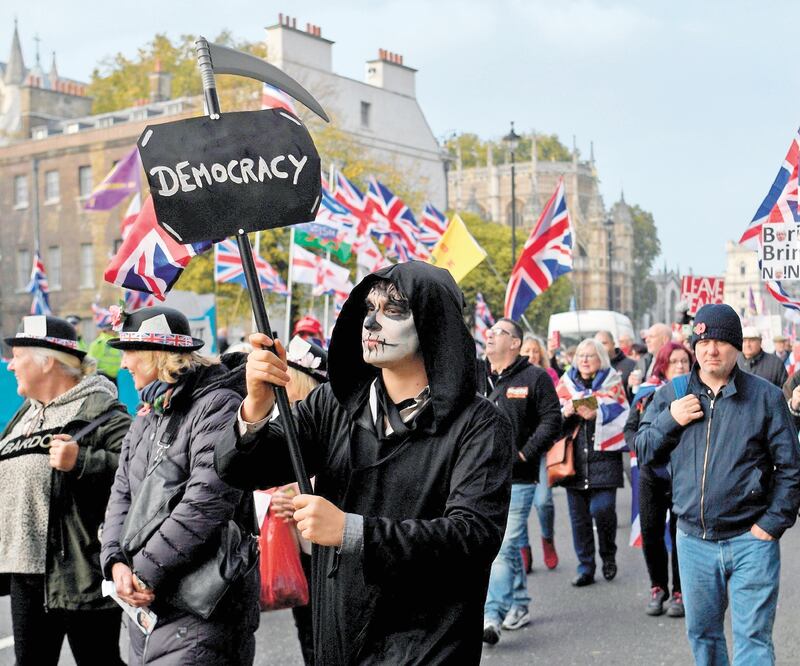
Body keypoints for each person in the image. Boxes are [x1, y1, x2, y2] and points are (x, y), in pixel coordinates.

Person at [214, 261, 511, 665]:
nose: (371, 323)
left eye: (393, 309)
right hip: (341, 635)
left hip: (429, 643)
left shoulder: (480, 424)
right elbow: (242, 468)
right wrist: (254, 408)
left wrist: (352, 531)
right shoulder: (333, 404)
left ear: (431, 320)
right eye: (369, 307)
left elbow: (472, 536)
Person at [636, 304, 800, 665]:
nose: (711, 349)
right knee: (704, 637)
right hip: (693, 541)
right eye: (704, 340)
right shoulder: (672, 394)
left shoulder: (766, 397)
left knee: (753, 640)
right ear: (694, 344)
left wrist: (770, 525)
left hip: (751, 541)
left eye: (722, 342)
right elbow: (644, 450)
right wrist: (670, 420)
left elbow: (791, 469)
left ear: (737, 347)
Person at [100, 306, 260, 665]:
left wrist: (142, 572)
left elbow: (206, 502)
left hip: (203, 610)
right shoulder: (149, 413)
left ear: (157, 355)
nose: (124, 363)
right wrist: (115, 562)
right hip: (150, 609)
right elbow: (121, 495)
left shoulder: (218, 405)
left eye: (130, 352)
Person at [0, 315, 131, 666]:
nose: (10, 364)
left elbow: (140, 472)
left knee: (98, 660)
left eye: (18, 355)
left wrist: (83, 460)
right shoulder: (23, 417)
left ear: (47, 361)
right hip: (25, 572)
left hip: (78, 570)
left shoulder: (101, 409)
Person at [480, 320, 561, 644]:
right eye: (489, 332)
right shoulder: (476, 374)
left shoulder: (535, 377)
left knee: (503, 547)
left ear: (515, 343)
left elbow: (552, 419)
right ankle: (521, 603)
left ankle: (491, 615)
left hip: (519, 479)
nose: (489, 334)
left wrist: (526, 454)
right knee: (505, 547)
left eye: (497, 332)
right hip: (480, 479)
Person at [267, 335, 328, 666]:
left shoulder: (328, 424)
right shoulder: (282, 424)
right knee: (306, 628)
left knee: (328, 631)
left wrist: (307, 498)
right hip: (299, 547)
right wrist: (277, 500)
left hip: (331, 545)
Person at [623, 342, 692, 618]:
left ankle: (680, 590)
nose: (680, 366)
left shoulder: (695, 392)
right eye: (674, 361)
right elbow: (631, 429)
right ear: (663, 364)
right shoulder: (647, 393)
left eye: (685, 362)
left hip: (684, 474)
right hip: (652, 472)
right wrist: (641, 447)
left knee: (680, 535)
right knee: (651, 533)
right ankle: (657, 587)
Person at [556, 338, 629, 587]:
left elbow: (623, 413)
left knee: (603, 509)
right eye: (581, 355)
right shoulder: (565, 385)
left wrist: (599, 413)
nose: (585, 360)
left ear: (601, 359)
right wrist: (566, 412)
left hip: (604, 461)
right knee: (579, 519)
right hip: (574, 462)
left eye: (591, 355)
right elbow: (552, 420)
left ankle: (608, 555)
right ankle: (585, 566)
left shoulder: (613, 382)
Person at [518, 334, 560, 575]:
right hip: (515, 453)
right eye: (527, 350)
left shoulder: (548, 376)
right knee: (516, 508)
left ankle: (547, 537)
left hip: (541, 450)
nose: (531, 355)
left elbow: (553, 415)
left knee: (543, 501)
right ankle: (523, 549)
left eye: (535, 351)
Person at [629, 323, 671, 394]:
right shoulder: (643, 361)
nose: (646, 340)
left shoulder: (674, 362)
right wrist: (630, 384)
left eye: (651, 337)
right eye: (646, 337)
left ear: (665, 340)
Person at [595, 330, 636, 396]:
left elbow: (637, 395)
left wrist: (631, 387)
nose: (601, 348)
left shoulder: (631, 365)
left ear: (613, 344)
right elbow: (584, 396)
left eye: (604, 343)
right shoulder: (592, 368)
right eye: (597, 345)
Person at [87, 317, 123, 384]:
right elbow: (90, 362)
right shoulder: (98, 343)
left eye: (114, 329)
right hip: (102, 376)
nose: (114, 331)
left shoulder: (117, 341)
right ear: (106, 330)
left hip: (116, 377)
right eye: (111, 329)